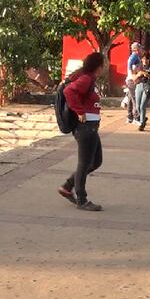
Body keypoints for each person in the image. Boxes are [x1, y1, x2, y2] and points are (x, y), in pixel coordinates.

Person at [58, 52, 106, 211]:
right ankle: (81, 199)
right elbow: (69, 91)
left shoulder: (89, 78)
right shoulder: (86, 79)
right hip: (85, 128)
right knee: (84, 163)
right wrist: (79, 111)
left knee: (95, 162)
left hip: (91, 127)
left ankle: (67, 186)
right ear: (99, 66)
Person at [133, 52, 150, 132]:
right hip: (139, 85)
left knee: (142, 106)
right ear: (141, 59)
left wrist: (148, 75)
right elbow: (133, 78)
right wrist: (139, 74)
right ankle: (143, 118)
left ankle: (142, 124)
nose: (145, 60)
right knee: (138, 106)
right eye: (143, 59)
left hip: (147, 87)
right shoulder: (138, 66)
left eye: (147, 59)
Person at [125, 43, 142, 124]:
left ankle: (129, 117)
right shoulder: (134, 56)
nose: (141, 50)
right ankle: (136, 117)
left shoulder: (134, 56)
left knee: (130, 99)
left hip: (130, 80)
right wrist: (133, 76)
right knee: (135, 99)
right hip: (132, 80)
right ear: (136, 49)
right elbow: (129, 66)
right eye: (140, 48)